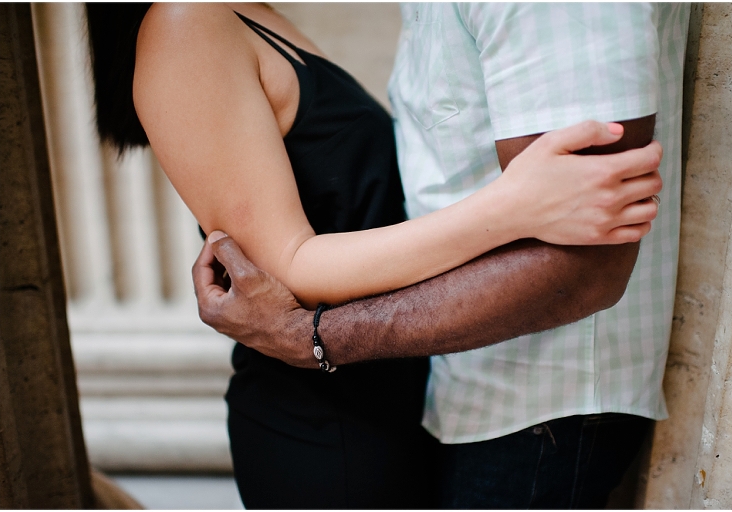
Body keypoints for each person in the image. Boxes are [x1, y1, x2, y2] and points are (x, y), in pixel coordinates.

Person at [86, 2, 662, 508]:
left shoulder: (249, 14)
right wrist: (511, 208)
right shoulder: (183, 23)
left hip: (389, 394)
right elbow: (290, 269)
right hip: (327, 422)